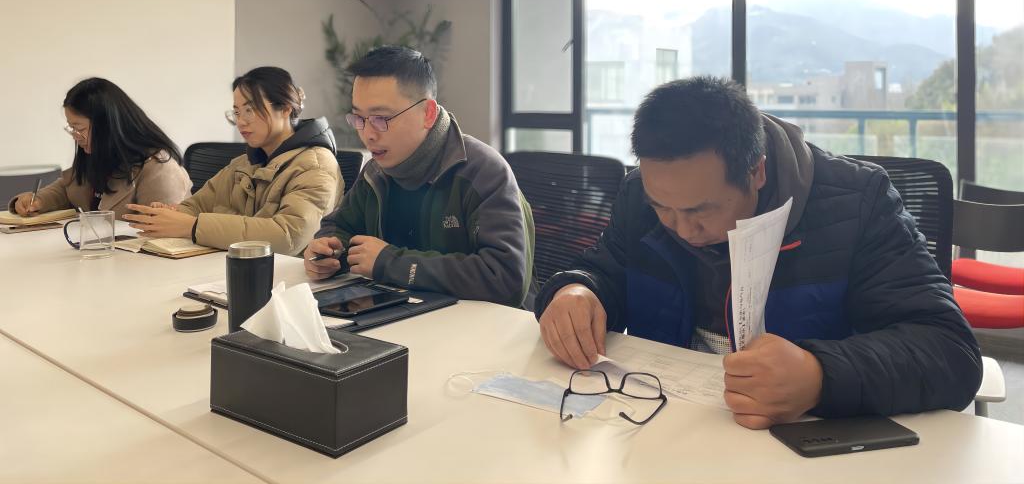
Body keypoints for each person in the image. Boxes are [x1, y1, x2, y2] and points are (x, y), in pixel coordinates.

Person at [535, 76, 982, 429]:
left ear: (757, 172)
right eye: (663, 208)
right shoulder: (641, 195)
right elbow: (605, 267)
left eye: (701, 211)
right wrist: (577, 290)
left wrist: (821, 376)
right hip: (664, 423)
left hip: (796, 439)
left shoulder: (858, 202)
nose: (682, 229)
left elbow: (948, 351)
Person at [304, 45, 535, 307]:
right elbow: (340, 226)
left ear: (428, 113)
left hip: (488, 326)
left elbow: (505, 279)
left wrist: (390, 263)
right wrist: (327, 251)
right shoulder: (376, 171)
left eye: (381, 118)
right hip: (407, 315)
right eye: (359, 118)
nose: (368, 134)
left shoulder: (483, 172)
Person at [124, 67, 342, 256]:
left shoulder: (316, 165)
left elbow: (288, 236)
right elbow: (198, 205)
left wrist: (193, 226)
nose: (241, 122)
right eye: (237, 112)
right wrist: (172, 215)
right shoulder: (244, 163)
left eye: (250, 110)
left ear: (285, 108)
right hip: (235, 267)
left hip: (288, 278)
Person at [10, 78, 192, 220]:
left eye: (80, 129)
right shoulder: (100, 155)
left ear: (108, 125)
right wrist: (38, 200)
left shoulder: (159, 169)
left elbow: (162, 232)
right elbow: (68, 188)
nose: (75, 136)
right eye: (71, 128)